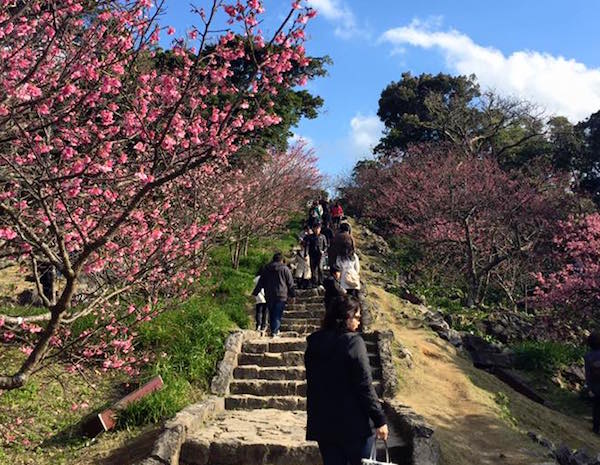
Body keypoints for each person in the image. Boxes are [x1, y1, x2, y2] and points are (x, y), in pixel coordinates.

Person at [305, 296, 388, 465]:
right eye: (356, 317)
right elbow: (364, 385)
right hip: (353, 424)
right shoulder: (353, 342)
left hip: (323, 422)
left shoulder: (314, 342)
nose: (359, 322)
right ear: (345, 316)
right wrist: (379, 419)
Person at [252, 252, 296, 338]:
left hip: (269, 294)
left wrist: (255, 293)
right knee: (277, 313)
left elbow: (261, 282)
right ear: (282, 260)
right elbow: (290, 283)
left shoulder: (266, 269)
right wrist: (292, 295)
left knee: (272, 313)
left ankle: (274, 330)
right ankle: (275, 331)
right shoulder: (285, 269)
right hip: (281, 294)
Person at [585, 331, 600, 434]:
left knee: (596, 407)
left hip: (595, 386)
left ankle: (596, 427)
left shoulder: (588, 356)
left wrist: (589, 388)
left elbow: (588, 374)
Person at [253, 268, 268, 334]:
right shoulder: (267, 278)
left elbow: (254, 288)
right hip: (266, 297)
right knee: (265, 312)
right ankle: (263, 325)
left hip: (258, 297)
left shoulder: (255, 279)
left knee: (258, 312)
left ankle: (258, 325)